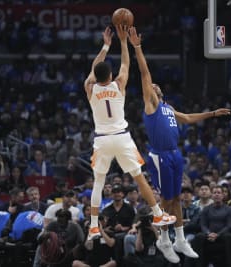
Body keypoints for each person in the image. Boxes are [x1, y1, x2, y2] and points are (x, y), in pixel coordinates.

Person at [127, 26, 231, 263]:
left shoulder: (168, 108)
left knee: (176, 199)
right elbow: (145, 74)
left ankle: (180, 239)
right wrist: (137, 47)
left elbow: (188, 118)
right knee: (166, 200)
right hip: (160, 155)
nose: (153, 86)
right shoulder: (151, 104)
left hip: (174, 154)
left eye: (156, 86)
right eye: (151, 87)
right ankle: (164, 239)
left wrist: (212, 113)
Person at [83, 26, 175, 240]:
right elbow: (126, 63)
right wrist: (124, 41)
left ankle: (94, 226)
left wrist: (105, 46)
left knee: (98, 182)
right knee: (139, 178)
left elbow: (95, 67)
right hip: (122, 137)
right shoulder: (119, 84)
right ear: (111, 75)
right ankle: (158, 214)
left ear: (95, 76)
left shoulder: (89, 87)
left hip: (102, 140)